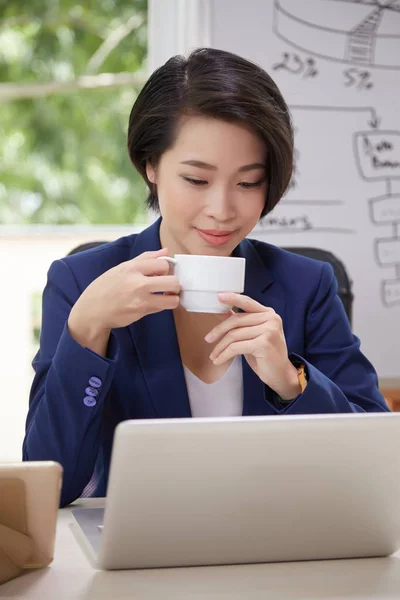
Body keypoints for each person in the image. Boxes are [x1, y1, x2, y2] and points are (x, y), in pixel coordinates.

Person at [23, 48, 389, 507]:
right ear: (150, 165)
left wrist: (291, 381)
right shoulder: (81, 281)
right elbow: (52, 485)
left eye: (249, 182)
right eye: (197, 180)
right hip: (142, 551)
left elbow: (374, 461)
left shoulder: (306, 285)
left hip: (283, 548)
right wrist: (88, 329)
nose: (222, 209)